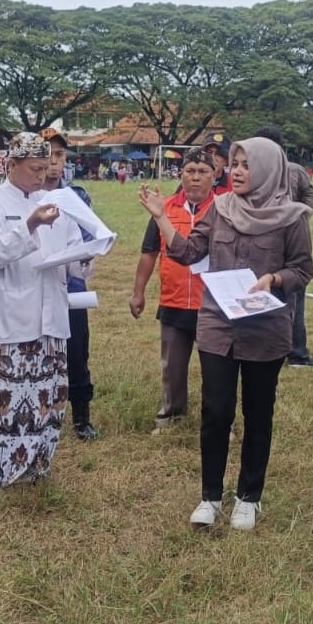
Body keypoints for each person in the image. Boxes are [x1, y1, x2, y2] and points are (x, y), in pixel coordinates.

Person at [139, 137, 313, 531]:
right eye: (234, 164)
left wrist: (274, 279)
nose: (236, 171)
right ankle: (210, 497)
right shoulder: (220, 208)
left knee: (258, 413)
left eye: (246, 165)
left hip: (265, 328)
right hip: (218, 323)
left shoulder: (292, 217)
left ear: (268, 169)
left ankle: (249, 497)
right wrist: (161, 217)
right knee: (216, 412)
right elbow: (188, 253)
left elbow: (302, 270)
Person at [0, 133, 84, 498]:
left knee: (48, 398)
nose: (42, 176)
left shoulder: (57, 203)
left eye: (46, 168)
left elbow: (73, 255)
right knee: (3, 401)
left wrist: (88, 254)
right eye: (34, 169)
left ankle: (36, 465)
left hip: (52, 317)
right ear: (11, 164)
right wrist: (29, 225)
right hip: (12, 317)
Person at [129, 148, 217, 432]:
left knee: (216, 369)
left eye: (203, 172)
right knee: (172, 366)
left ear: (214, 176)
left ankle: (219, 421)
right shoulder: (163, 208)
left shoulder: (224, 210)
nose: (195, 177)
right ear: (181, 174)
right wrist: (138, 292)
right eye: (190, 171)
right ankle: (171, 415)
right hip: (174, 300)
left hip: (212, 304)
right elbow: (149, 252)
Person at [40, 128, 100, 439]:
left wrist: (88, 254)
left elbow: (89, 237)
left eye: (60, 154)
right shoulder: (26, 195)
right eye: (48, 154)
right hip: (36, 288)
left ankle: (81, 417)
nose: (54, 161)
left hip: (72, 287)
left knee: (77, 351)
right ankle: (40, 412)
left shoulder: (77, 196)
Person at [255, 126, 313, 368]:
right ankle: (280, 350)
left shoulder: (294, 171)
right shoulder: (253, 173)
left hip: (287, 239)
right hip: (267, 241)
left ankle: (295, 352)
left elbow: (308, 193)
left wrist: (301, 215)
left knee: (292, 291)